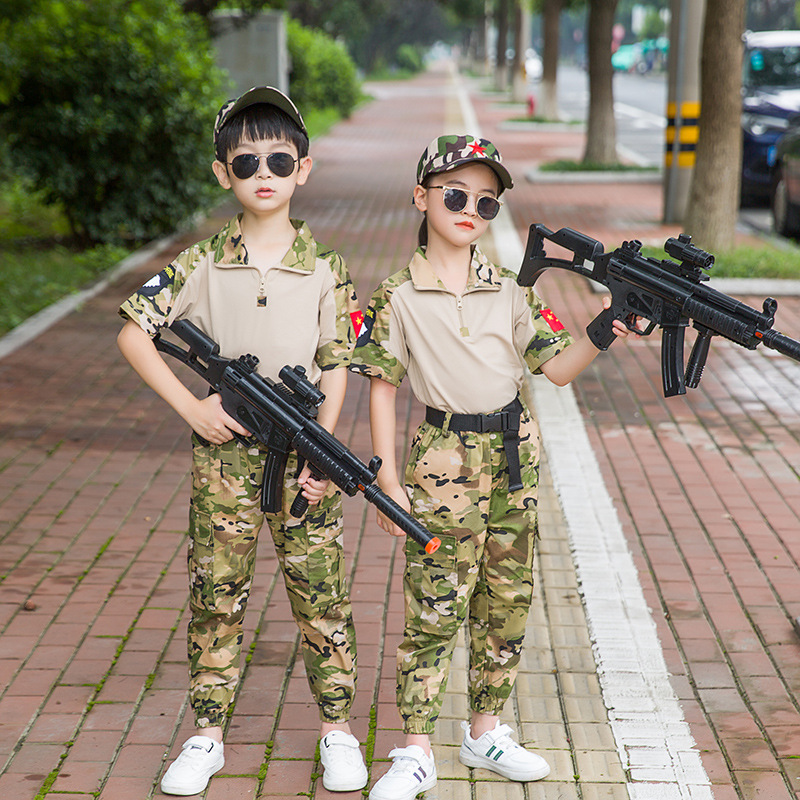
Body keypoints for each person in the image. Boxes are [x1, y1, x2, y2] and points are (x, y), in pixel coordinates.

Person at [350, 134, 641, 800]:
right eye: (455, 194)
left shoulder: (512, 293)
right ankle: (416, 748)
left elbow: (559, 370)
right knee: (433, 607)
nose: (469, 210)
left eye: (485, 202)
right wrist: (387, 478)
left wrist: (603, 328)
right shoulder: (397, 294)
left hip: (513, 461)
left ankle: (485, 731)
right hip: (441, 464)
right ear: (421, 197)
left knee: (506, 604)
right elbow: (383, 385)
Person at [117, 86, 368, 796]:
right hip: (224, 458)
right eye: (247, 159)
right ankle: (207, 735)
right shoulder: (201, 262)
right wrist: (189, 409)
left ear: (304, 170)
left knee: (321, 595)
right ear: (223, 171)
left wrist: (324, 449)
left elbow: (336, 363)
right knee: (216, 594)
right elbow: (134, 332)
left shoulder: (327, 269)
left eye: (280, 159)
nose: (265, 171)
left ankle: (337, 730)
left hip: (302, 460)